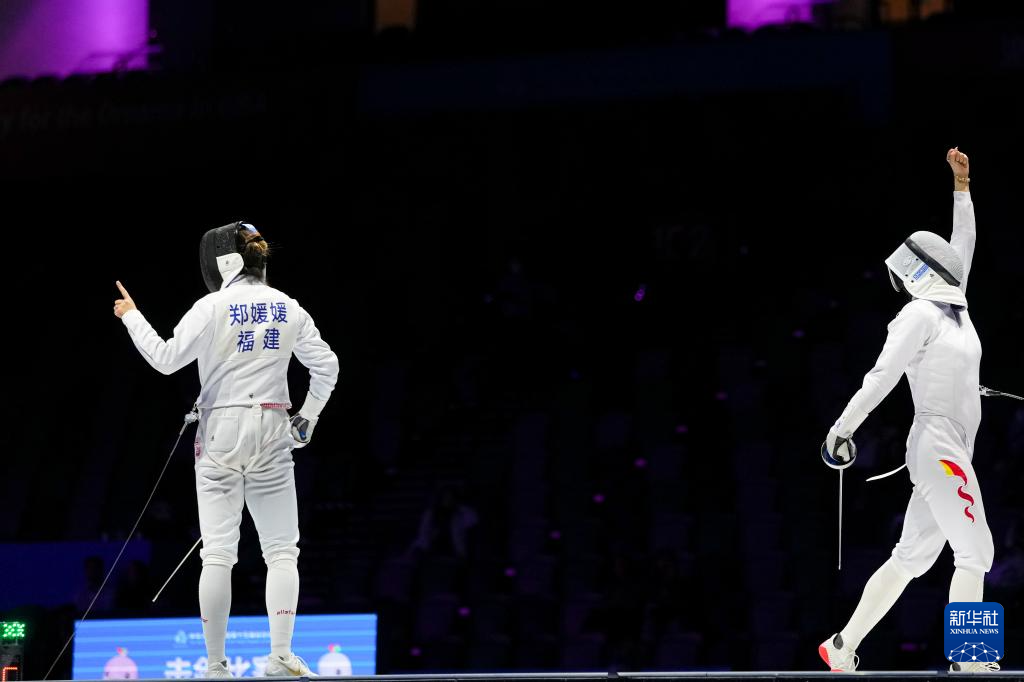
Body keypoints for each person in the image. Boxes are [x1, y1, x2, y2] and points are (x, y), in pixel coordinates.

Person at [113, 222, 339, 678]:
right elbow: (327, 366)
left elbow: (165, 359)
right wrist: (307, 419)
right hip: (273, 426)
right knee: (281, 551)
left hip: (220, 429)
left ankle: (216, 666)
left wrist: (132, 315)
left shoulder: (212, 306)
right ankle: (280, 657)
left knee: (218, 553)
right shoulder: (288, 306)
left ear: (221, 263)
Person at [817, 148, 996, 673]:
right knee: (977, 551)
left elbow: (964, 245)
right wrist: (841, 431)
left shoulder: (955, 308)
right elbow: (882, 377)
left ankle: (841, 646)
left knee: (912, 557)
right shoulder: (919, 315)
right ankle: (971, 658)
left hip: (952, 448)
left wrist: (962, 188)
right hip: (937, 446)